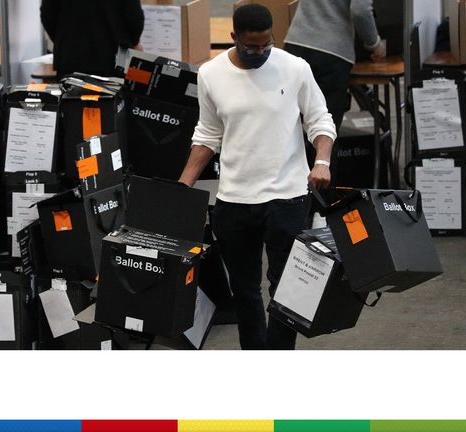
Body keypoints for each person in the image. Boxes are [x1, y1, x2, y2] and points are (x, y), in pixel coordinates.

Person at [178, 4, 336, 350]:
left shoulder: (295, 68)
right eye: (252, 47)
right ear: (234, 38)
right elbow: (207, 133)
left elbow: (320, 120)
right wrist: (184, 183)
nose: (261, 53)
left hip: (288, 196)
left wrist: (321, 160)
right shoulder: (210, 74)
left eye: (267, 45)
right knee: (245, 291)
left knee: (287, 289)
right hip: (234, 201)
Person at [285, 0, 386, 134]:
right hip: (331, 52)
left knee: (289, 128)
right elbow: (360, 11)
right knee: (324, 132)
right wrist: (375, 44)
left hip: (296, 42)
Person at [40, 0, 144, 77]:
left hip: (69, 59)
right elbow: (135, 18)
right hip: (113, 59)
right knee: (110, 104)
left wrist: (63, 40)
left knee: (70, 104)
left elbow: (47, 14)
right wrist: (131, 42)